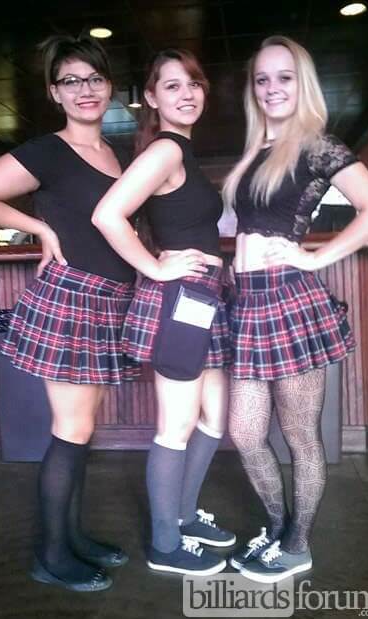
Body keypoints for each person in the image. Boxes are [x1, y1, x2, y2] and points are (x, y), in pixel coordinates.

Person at [0, 34, 142, 592]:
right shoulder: (47, 151)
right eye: (71, 80)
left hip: (111, 301)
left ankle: (71, 537)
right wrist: (39, 228)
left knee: (81, 430)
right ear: (54, 92)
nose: (84, 89)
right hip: (71, 298)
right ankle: (50, 556)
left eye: (94, 78)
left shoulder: (116, 153)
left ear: (110, 86)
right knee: (71, 430)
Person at [222, 35, 368, 583]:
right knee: (246, 433)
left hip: (290, 301)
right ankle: (278, 530)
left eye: (284, 77)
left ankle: (297, 546)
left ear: (303, 83)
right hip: (248, 305)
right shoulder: (256, 150)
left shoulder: (316, 145)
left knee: (300, 436)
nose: (272, 88)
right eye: (262, 79)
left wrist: (315, 257)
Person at [92, 48, 235, 575]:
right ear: (151, 98)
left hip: (204, 300)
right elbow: (108, 214)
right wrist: (154, 266)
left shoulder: (182, 152)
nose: (187, 94)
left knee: (214, 419)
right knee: (176, 425)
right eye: (172, 86)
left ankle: (183, 516)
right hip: (180, 303)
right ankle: (164, 544)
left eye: (193, 83)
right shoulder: (166, 150)